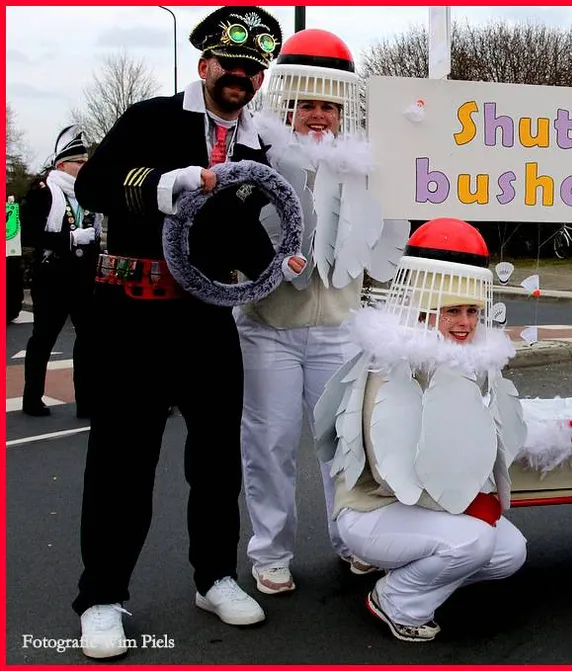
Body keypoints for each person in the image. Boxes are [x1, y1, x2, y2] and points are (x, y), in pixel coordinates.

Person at [70, 6, 293, 659]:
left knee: (217, 458)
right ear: (205, 65)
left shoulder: (254, 146)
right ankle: (101, 596)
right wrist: (166, 185)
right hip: (131, 313)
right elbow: (94, 183)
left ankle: (215, 576)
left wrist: (277, 263)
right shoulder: (151, 117)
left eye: (253, 69)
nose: (242, 77)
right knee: (122, 461)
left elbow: (237, 229)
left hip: (205, 317)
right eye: (232, 65)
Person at [239, 28, 408, 594]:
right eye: (306, 104)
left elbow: (392, 231)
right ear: (287, 105)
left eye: (328, 106)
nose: (317, 115)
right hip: (268, 326)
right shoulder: (258, 159)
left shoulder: (367, 167)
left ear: (342, 112)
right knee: (270, 443)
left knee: (343, 443)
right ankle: (271, 553)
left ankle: (353, 539)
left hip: (339, 327)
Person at [313, 217, 527, 643]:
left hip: (424, 508)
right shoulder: (391, 366)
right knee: (473, 541)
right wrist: (466, 505)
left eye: (472, 311)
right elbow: (391, 469)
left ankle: (416, 574)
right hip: (374, 508)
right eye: (452, 311)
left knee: (509, 552)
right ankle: (396, 600)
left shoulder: (463, 361)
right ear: (426, 310)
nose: (465, 323)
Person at [19, 126, 101, 418]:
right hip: (52, 278)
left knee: (88, 341)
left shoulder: (88, 195)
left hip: (83, 278)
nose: (84, 166)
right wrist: (69, 239)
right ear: (62, 165)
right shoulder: (43, 192)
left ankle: (86, 401)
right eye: (79, 162)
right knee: (43, 339)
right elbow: (29, 234)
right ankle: (32, 398)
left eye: (86, 162)